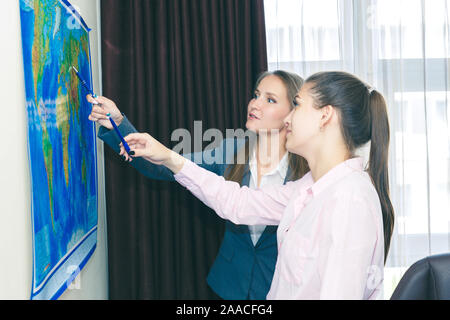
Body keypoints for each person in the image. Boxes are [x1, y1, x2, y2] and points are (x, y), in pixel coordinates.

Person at [120, 71, 395, 300]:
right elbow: (238, 204)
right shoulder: (310, 187)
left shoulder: (350, 200)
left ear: (325, 116)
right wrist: (168, 156)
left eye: (297, 105)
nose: (288, 119)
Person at [87, 70, 310, 299]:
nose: (255, 104)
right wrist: (118, 124)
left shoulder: (307, 174)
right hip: (229, 286)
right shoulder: (229, 151)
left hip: (280, 288)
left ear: (292, 114)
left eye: (270, 99)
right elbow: (162, 165)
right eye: (256, 95)